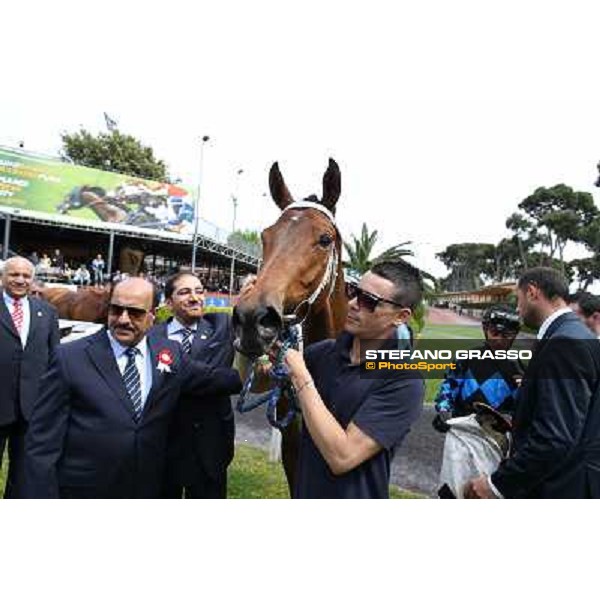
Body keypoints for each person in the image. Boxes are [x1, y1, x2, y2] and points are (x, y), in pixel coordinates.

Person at [23, 277, 242, 499]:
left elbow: (215, 379)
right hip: (85, 490)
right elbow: (41, 445)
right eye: (116, 310)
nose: (123, 319)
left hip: (148, 488)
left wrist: (262, 369)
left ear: (152, 315)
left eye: (135, 313)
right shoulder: (69, 358)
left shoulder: (170, 353)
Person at [281, 261, 425, 498]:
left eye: (368, 301)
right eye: (353, 291)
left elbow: (343, 457)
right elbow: (261, 384)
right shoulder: (324, 352)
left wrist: (301, 377)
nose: (352, 304)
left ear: (401, 316)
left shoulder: (405, 381)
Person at [464, 267, 600, 499]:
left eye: (518, 299)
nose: (517, 309)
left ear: (532, 292)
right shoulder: (576, 334)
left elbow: (555, 438)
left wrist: (496, 485)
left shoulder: (564, 342)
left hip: (561, 485)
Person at [151, 272, 236, 499]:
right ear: (168, 302)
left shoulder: (222, 327)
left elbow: (248, 316)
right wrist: (224, 379)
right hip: (163, 447)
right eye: (185, 292)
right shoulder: (151, 337)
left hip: (210, 447)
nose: (195, 297)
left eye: (199, 291)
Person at [0, 256, 60, 498]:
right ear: (3, 277)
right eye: (14, 274)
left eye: (26, 276)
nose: (20, 280)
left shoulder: (47, 312)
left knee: (23, 476)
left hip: (32, 409)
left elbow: (55, 360)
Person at [432, 304, 523, 432]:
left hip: (496, 436)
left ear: (514, 335)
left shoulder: (518, 369)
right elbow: (449, 387)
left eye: (506, 335)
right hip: (462, 429)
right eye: (495, 333)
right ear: (485, 329)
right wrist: (444, 410)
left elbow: (522, 405)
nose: (499, 340)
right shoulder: (465, 359)